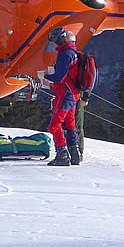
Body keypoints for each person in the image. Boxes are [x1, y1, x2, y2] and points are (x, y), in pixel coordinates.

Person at [43, 27, 81, 166]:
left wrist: (46, 76)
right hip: (73, 95)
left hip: (64, 95)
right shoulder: (74, 52)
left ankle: (62, 155)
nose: (52, 45)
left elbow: (60, 77)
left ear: (59, 40)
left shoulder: (65, 54)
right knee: (70, 124)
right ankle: (75, 153)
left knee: (54, 126)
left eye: (53, 42)